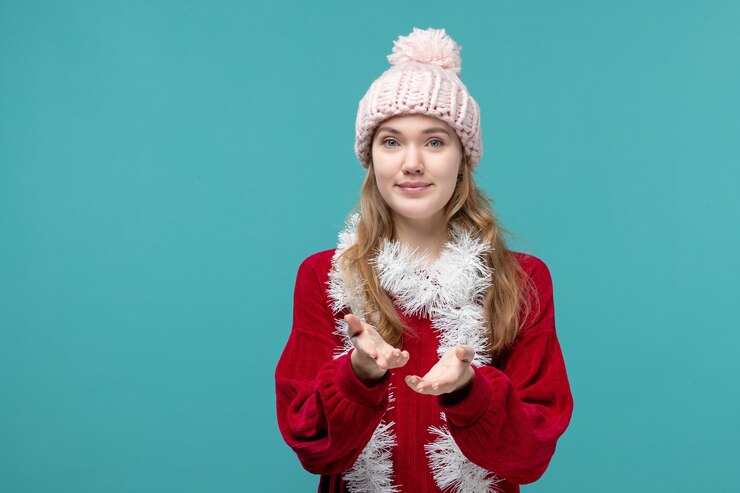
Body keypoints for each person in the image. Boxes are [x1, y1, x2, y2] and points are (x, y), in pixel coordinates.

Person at [275, 27, 573, 493]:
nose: (412, 162)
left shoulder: (521, 279)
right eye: (391, 142)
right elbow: (313, 448)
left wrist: (469, 391)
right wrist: (357, 377)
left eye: (434, 141)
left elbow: (530, 457)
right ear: (370, 158)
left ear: (463, 159)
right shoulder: (326, 276)